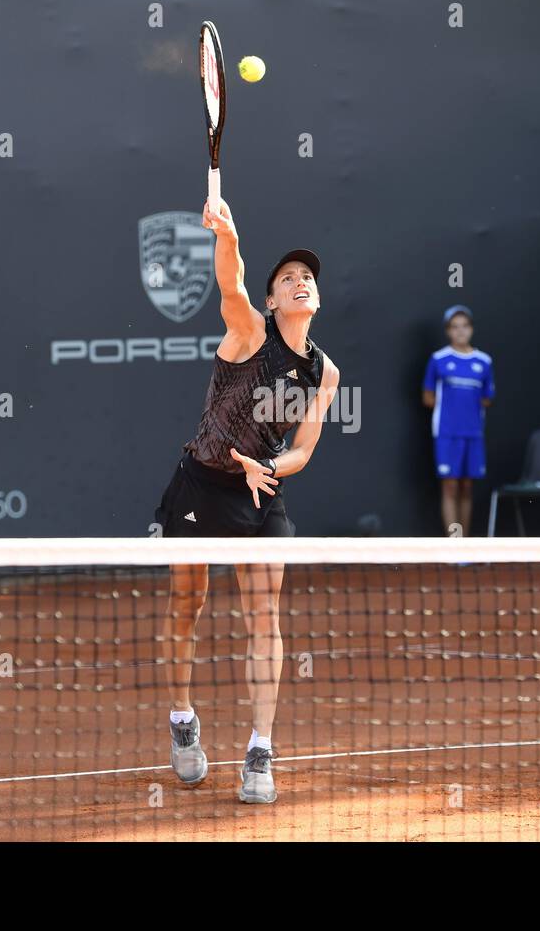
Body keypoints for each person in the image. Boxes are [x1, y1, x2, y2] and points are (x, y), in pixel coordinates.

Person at [153, 198, 340, 804]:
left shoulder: (325, 373)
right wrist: (227, 232)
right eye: (288, 278)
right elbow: (229, 278)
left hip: (261, 492)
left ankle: (260, 747)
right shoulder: (248, 331)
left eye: (307, 277)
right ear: (272, 301)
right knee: (190, 602)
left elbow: (304, 448)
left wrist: (271, 467)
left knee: (265, 615)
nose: (300, 281)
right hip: (201, 487)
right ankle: (182, 717)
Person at [422, 305, 494, 535]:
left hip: (473, 433)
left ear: (471, 329)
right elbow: (428, 398)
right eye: (455, 327)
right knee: (450, 486)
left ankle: (466, 544)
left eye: (464, 326)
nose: (460, 331)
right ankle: (454, 542)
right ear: (448, 331)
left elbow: (487, 398)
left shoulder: (484, 361)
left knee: (467, 486)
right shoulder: (439, 360)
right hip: (447, 433)